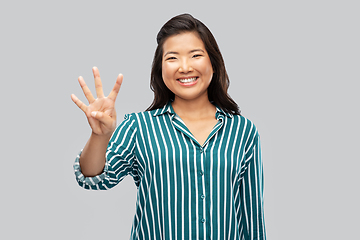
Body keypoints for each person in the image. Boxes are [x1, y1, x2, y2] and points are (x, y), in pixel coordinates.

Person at [71, 13, 266, 240]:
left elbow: (252, 218)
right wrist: (99, 136)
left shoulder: (243, 131)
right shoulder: (138, 127)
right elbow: (94, 178)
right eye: (172, 58)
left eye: (195, 55)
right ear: (160, 70)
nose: (184, 67)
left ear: (213, 63)